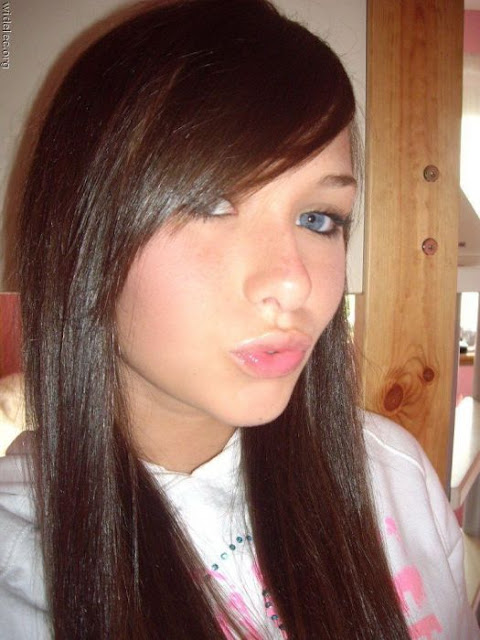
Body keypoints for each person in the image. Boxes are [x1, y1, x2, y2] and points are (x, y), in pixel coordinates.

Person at [0, 0, 477, 638]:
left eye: (318, 218)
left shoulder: (392, 472)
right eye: (211, 204)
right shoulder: (19, 567)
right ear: (82, 232)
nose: (294, 281)